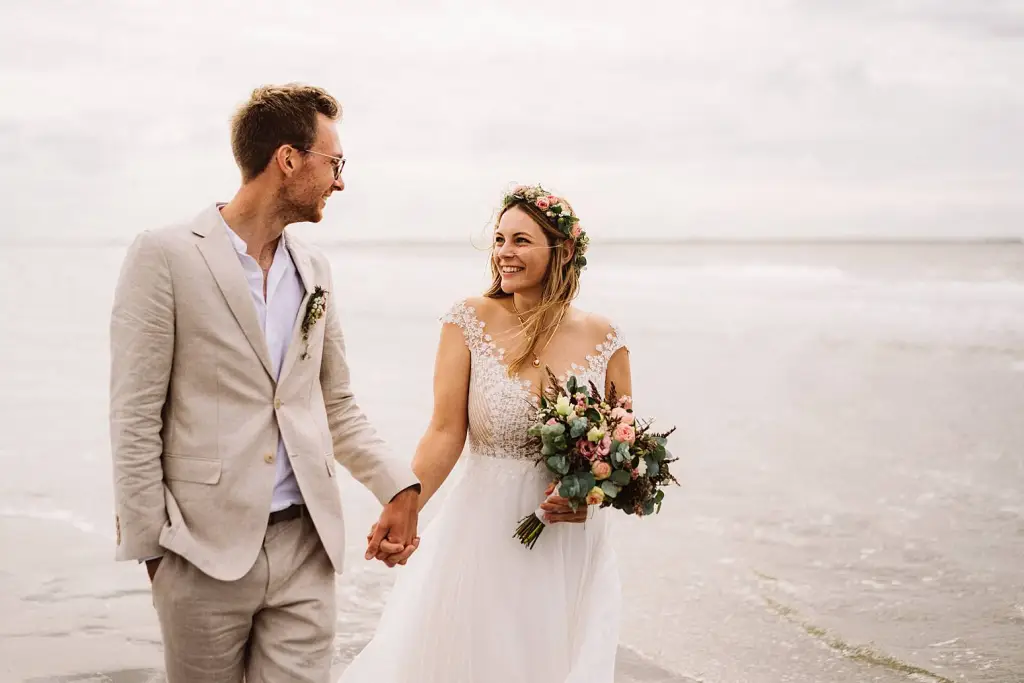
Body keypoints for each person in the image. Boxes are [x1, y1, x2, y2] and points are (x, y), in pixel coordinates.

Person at [109, 83, 421, 683]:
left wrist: (398, 486)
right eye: (335, 163)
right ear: (288, 159)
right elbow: (134, 413)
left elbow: (334, 404)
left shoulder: (316, 269)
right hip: (200, 550)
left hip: (307, 545)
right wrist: (155, 551)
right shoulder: (164, 255)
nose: (340, 181)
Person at [339, 184, 631, 683]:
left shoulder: (605, 338)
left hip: (567, 544)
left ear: (560, 250)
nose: (504, 253)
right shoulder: (469, 320)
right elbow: (444, 432)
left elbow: (620, 450)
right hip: (481, 533)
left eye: (520, 240)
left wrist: (590, 495)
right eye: (499, 240)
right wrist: (404, 503)